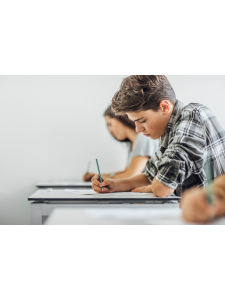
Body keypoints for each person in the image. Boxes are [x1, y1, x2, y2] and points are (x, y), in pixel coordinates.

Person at [91, 75, 225, 197]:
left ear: (164, 107)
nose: (138, 129)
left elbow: (162, 188)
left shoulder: (191, 116)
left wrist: (152, 187)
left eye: (142, 120)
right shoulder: (167, 130)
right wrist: (115, 185)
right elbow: (151, 175)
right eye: (135, 122)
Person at [83, 99, 159, 181]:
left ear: (119, 118)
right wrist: (96, 176)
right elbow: (126, 172)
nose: (110, 130)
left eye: (110, 124)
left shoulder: (144, 137)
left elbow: (131, 175)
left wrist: (101, 179)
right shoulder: (132, 143)